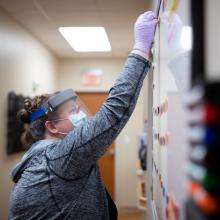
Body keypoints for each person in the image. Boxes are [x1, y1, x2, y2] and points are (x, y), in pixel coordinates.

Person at [9, 11, 158, 220]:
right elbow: (114, 111)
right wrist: (140, 49)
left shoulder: (48, 156)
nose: (82, 115)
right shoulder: (57, 157)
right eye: (73, 111)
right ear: (52, 127)